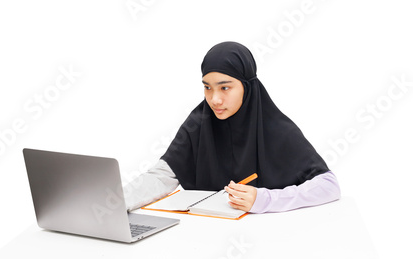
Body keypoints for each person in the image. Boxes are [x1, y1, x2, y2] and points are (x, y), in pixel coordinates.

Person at [123, 41, 340, 213]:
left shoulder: (276, 128)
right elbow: (163, 175)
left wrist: (265, 199)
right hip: (202, 236)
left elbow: (328, 185)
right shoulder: (199, 122)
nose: (214, 99)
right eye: (207, 87)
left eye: (225, 87)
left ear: (246, 86)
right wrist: (111, 204)